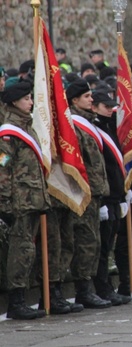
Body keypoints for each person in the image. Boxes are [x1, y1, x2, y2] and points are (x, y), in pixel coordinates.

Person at [0, 81, 51, 320]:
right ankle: (16, 301)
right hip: (18, 202)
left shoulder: (27, 128)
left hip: (31, 199)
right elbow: (2, 168)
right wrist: (5, 203)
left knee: (27, 250)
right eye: (27, 99)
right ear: (14, 102)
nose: (31, 102)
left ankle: (23, 297)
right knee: (19, 251)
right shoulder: (8, 133)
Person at [65, 78, 112, 308]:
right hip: (82, 193)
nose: (92, 99)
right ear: (74, 100)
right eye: (87, 96)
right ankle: (82, 290)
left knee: (92, 241)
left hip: (94, 192)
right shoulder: (73, 124)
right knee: (84, 241)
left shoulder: (87, 122)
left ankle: (88, 287)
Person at [91, 90, 132, 306]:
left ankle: (106, 285)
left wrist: (123, 192)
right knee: (101, 245)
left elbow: (116, 164)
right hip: (104, 197)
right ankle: (101, 286)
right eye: (105, 106)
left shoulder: (109, 127)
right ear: (94, 107)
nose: (110, 109)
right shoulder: (94, 129)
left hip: (114, 194)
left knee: (108, 243)